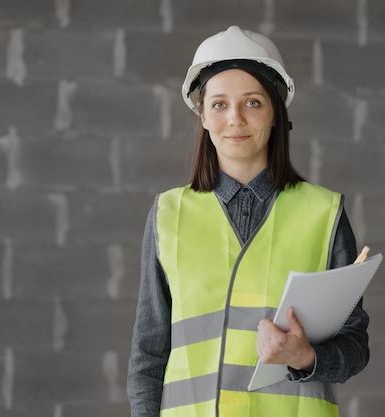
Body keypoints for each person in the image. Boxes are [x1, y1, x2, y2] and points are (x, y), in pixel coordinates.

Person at [127, 25, 370, 417]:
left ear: (275, 114)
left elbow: (355, 348)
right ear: (203, 116)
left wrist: (306, 356)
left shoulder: (322, 214)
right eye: (219, 104)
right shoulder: (168, 216)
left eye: (253, 103)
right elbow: (148, 355)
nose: (235, 118)